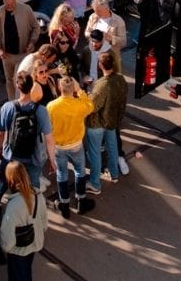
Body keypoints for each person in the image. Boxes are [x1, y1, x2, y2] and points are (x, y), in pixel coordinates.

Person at [0, 70, 56, 189]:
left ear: (18, 86)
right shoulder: (41, 110)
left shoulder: (8, 107)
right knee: (33, 189)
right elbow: (49, 139)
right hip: (33, 158)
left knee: (3, 184)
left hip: (11, 156)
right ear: (32, 86)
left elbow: (0, 134)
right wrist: (52, 160)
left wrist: (0, 148)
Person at [46, 75, 95, 218]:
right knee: (80, 171)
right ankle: (81, 201)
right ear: (73, 88)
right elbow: (90, 106)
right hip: (76, 145)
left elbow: (48, 128)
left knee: (62, 174)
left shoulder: (51, 106)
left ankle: (64, 205)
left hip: (59, 147)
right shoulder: (79, 105)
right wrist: (80, 91)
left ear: (59, 87)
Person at [85, 51, 128, 193]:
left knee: (95, 153)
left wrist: (87, 96)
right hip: (112, 121)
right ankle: (114, 174)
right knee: (112, 147)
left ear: (100, 65)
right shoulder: (121, 79)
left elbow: (92, 106)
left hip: (97, 124)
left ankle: (95, 184)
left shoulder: (102, 85)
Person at [0, 161, 48, 281]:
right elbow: (44, 222)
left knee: (18, 276)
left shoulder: (13, 206)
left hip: (18, 250)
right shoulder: (38, 195)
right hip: (34, 243)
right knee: (26, 271)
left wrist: (6, 248)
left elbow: (8, 237)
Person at [0, 0, 40, 101]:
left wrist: (32, 41)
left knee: (18, 79)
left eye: (12, 4)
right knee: (9, 80)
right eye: (7, 5)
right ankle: (12, 101)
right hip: (6, 54)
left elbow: (36, 27)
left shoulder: (26, 9)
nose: (10, 7)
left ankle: (21, 101)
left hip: (23, 53)